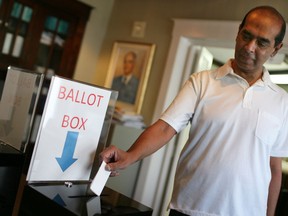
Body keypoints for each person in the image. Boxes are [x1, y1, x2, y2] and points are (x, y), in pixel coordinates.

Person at [101, 6, 288, 216]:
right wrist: (130, 155)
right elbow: (165, 128)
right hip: (190, 209)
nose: (250, 47)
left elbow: (273, 167)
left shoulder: (282, 102)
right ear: (238, 32)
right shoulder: (202, 82)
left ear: (275, 49)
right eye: (246, 35)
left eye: (262, 42)